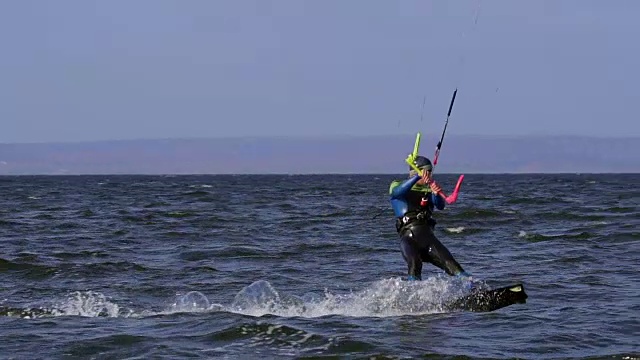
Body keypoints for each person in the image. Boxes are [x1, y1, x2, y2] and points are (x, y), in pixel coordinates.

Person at [389, 155, 471, 281]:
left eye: (431, 172)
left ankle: (473, 289)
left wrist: (435, 193)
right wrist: (417, 176)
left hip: (428, 238)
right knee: (415, 263)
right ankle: (414, 295)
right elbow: (397, 192)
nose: (430, 176)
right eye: (427, 172)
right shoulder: (397, 185)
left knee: (451, 264)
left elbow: (440, 205)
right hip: (409, 237)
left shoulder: (428, 190)